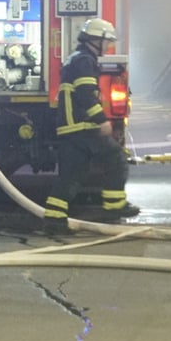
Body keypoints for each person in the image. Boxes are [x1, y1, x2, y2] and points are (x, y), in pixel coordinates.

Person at [42, 18, 140, 235]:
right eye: (106, 42)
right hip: (82, 126)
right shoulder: (85, 61)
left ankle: (54, 220)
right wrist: (101, 121)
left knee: (71, 176)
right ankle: (114, 206)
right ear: (95, 40)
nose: (108, 47)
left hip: (71, 127)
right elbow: (86, 95)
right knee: (116, 157)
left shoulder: (75, 59)